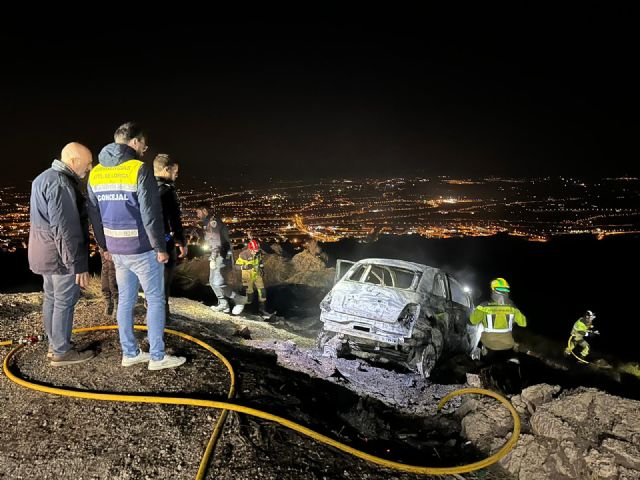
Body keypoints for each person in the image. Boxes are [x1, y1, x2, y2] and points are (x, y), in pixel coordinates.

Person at [87, 122, 185, 371]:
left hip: (116, 249)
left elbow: (94, 214)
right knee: (154, 299)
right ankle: (157, 356)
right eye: (143, 142)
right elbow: (150, 214)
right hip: (142, 248)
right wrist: (160, 247)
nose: (145, 147)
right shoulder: (139, 169)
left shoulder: (96, 173)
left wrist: (103, 245)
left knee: (126, 301)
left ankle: (130, 352)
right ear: (133, 142)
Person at [28, 142, 104, 366]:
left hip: (45, 253)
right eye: (88, 163)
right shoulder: (61, 183)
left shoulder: (44, 177)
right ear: (74, 161)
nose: (90, 168)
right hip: (60, 256)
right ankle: (61, 350)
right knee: (64, 300)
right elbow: (66, 229)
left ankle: (55, 345)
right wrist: (77, 265)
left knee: (52, 298)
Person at [469, 277, 527, 393]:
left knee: (481, 360)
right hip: (507, 346)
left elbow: (473, 320)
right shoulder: (512, 307)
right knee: (514, 365)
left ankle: (485, 386)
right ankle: (516, 392)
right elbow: (523, 323)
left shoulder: (484, 306)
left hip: (489, 346)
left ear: (493, 291)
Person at [153, 153, 187, 318]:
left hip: (146, 243)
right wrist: (181, 241)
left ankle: (152, 309)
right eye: (175, 171)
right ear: (166, 169)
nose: (176, 175)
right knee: (164, 280)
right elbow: (174, 219)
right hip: (164, 241)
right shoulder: (167, 191)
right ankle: (162, 315)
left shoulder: (144, 187)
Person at [196, 206, 232, 313]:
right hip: (219, 254)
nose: (197, 215)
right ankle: (224, 304)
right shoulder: (209, 222)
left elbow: (216, 241)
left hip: (219, 254)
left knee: (215, 281)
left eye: (198, 212)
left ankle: (229, 302)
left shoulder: (213, 222)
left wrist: (213, 256)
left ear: (204, 210)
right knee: (214, 281)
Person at [232, 239, 272, 317]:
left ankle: (262, 310)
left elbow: (260, 261)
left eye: (257, 250)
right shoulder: (243, 255)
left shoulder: (258, 253)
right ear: (250, 249)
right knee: (250, 296)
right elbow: (236, 267)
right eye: (254, 250)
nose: (256, 251)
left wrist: (261, 268)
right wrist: (245, 266)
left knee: (262, 292)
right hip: (247, 277)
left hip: (257, 275)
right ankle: (247, 310)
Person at [100, 250, 118, 318]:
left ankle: (109, 305)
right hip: (111, 241)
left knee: (106, 267)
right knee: (112, 268)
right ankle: (116, 305)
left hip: (101, 241)